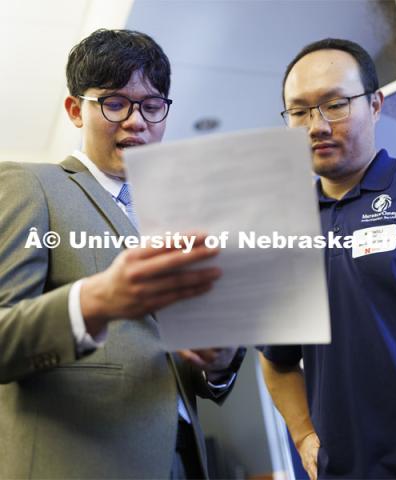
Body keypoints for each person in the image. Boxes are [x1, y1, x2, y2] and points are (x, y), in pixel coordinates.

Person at [0, 28, 244, 479]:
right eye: (115, 102)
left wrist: (221, 363)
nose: (137, 121)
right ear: (76, 109)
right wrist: (95, 302)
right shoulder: (30, 186)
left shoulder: (172, 217)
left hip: (183, 460)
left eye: (152, 105)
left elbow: (171, 357)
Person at [258, 38, 396, 479]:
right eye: (300, 111)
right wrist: (305, 435)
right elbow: (277, 359)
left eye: (335, 105)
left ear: (376, 104)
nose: (316, 125)